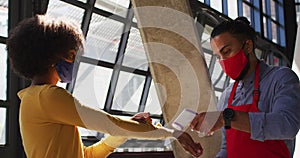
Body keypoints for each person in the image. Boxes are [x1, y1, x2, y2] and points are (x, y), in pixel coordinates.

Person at [6, 15, 203, 158]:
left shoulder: (34, 99)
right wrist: (172, 133)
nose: (76, 61)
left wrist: (124, 132)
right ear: (58, 55)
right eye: (73, 54)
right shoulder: (48, 97)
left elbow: (87, 155)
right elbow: (108, 123)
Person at [190, 17, 300, 158]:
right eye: (218, 56)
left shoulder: (281, 78)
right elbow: (227, 148)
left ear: (248, 46)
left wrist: (227, 118)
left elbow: (287, 125)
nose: (223, 61)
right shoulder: (227, 96)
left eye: (227, 51)